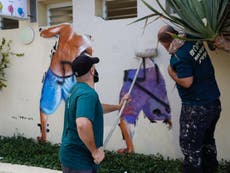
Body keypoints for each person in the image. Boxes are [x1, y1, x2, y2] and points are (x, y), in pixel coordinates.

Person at [158, 25, 221, 173]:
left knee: (190, 147)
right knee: (207, 142)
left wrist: (171, 73)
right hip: (214, 103)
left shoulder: (179, 56)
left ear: (165, 43)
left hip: (196, 109)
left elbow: (187, 82)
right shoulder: (192, 40)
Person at [59, 54, 130, 173]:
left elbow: (94, 109)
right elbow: (82, 123)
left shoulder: (76, 89)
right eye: (94, 68)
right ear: (92, 71)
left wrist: (118, 107)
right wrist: (95, 152)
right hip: (80, 162)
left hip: (70, 157)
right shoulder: (88, 94)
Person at [38, 23, 93, 141]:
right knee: (75, 109)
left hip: (57, 76)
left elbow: (44, 33)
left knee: (45, 108)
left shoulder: (66, 27)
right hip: (69, 78)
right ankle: (47, 137)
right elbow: (90, 52)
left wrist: (54, 35)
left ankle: (44, 137)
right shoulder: (85, 40)